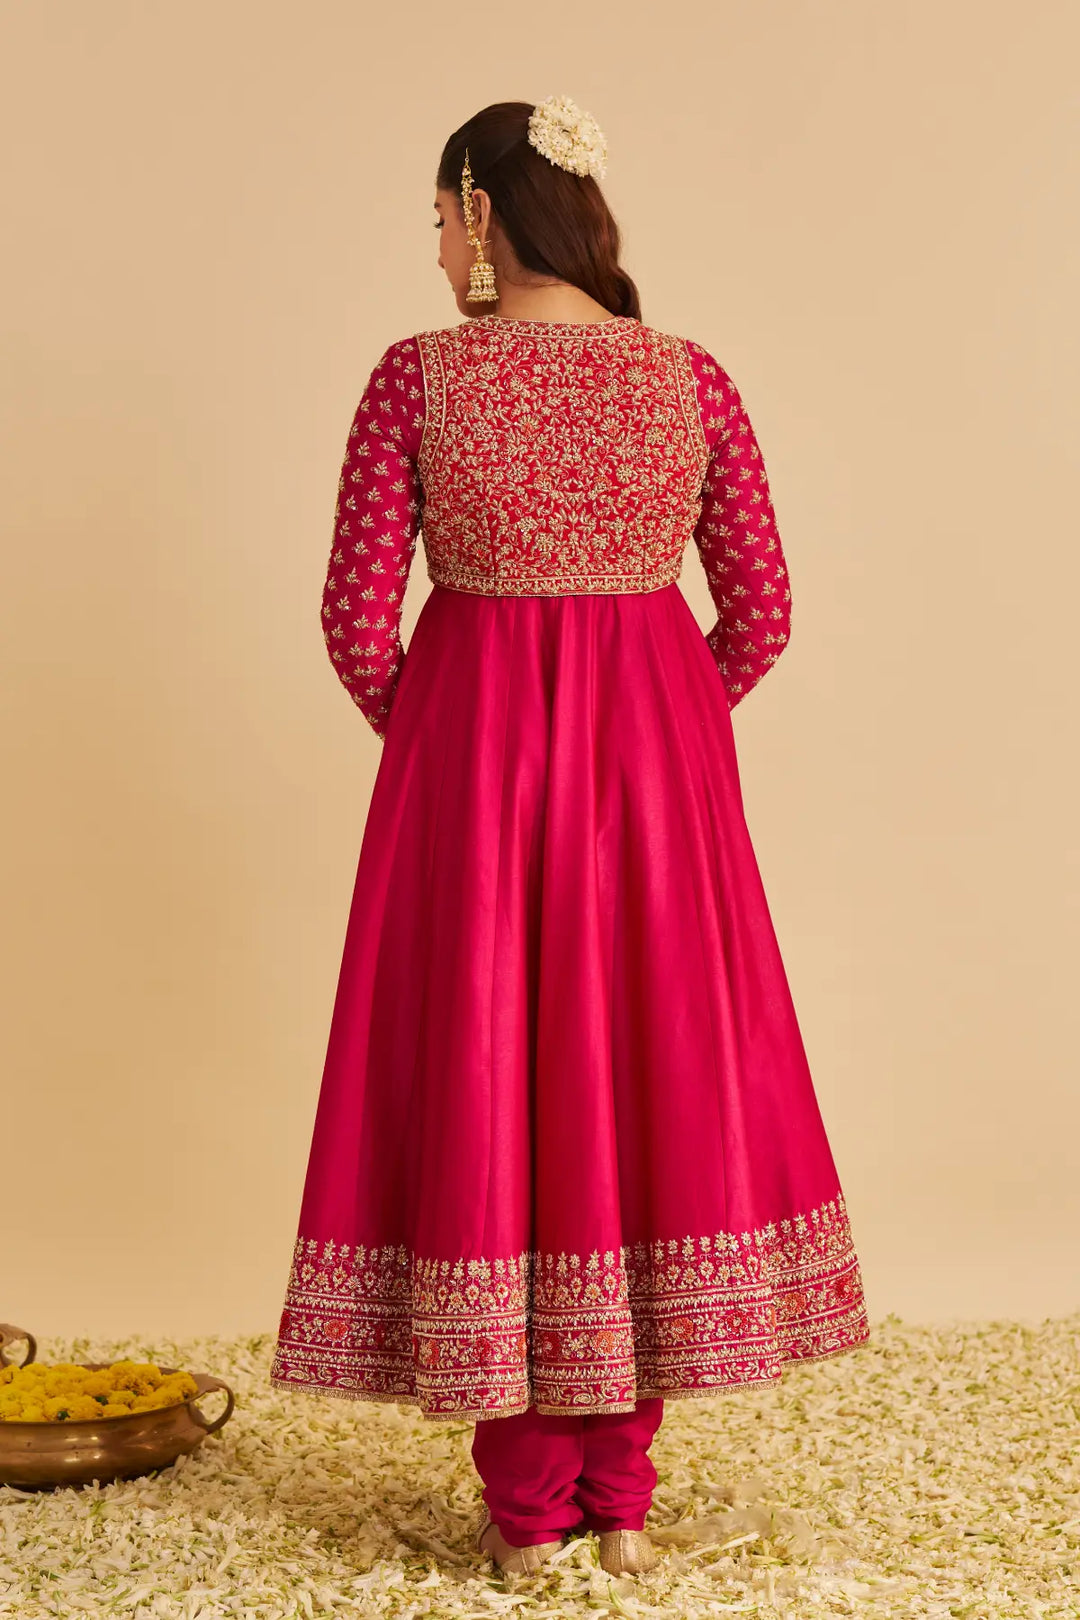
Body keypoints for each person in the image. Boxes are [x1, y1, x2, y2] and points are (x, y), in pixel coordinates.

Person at [269, 95, 871, 1580]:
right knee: (643, 1086)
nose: (432, 247)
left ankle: (527, 1518)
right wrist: (658, 732)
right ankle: (620, 1508)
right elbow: (770, 611)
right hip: (658, 785)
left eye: (434, 218)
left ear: (479, 214)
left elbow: (356, 622)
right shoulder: (692, 377)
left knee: (497, 1090)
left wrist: (452, 745)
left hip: (470, 783)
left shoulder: (416, 380)